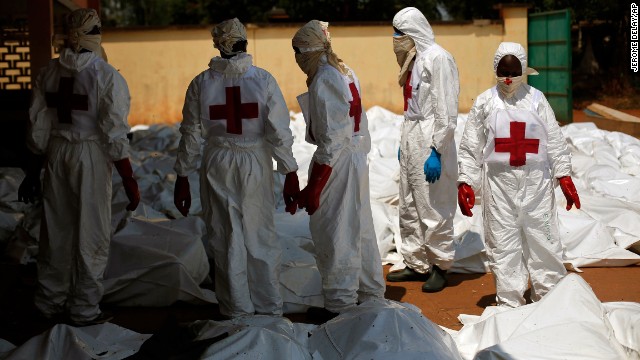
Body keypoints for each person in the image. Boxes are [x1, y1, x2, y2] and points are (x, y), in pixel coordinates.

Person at [18, 8, 140, 326]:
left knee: (55, 232)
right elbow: (114, 132)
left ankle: (48, 302)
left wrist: (33, 171)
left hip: (56, 154)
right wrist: (129, 177)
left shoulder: (49, 72)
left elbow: (37, 127)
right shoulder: (107, 76)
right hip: (91, 156)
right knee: (91, 232)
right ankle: (84, 308)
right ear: (96, 34)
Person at [173, 18, 300, 319]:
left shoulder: (201, 83)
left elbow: (190, 134)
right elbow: (279, 131)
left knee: (225, 237)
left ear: (217, 44)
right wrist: (289, 172)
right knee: (260, 234)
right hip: (255, 162)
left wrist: (182, 176)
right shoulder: (264, 80)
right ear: (244, 42)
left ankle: (236, 312)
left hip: (217, 162)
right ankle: (269, 310)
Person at [457, 42, 581, 307]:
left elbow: (555, 140)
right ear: (495, 69)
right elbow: (470, 146)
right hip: (499, 186)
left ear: (524, 69)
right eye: (503, 71)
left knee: (544, 242)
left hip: (536, 184)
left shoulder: (537, 99)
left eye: (514, 71)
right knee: (503, 245)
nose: (509, 78)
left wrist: (564, 175)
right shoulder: (484, 102)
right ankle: (510, 302)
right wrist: (466, 181)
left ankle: (549, 301)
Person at [292, 20, 386, 322]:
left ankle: (339, 306)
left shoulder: (324, 78)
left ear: (306, 51)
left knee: (336, 232)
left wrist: (315, 187)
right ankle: (371, 297)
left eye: (297, 53)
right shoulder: (346, 71)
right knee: (359, 228)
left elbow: (332, 139)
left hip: (338, 163)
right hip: (355, 159)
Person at [386, 7, 460, 293]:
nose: (395, 39)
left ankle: (440, 265)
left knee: (433, 203)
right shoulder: (414, 59)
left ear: (413, 32)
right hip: (413, 134)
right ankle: (416, 263)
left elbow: (446, 109)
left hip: (431, 136)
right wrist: (405, 142)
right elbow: (412, 107)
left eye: (399, 33)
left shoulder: (439, 58)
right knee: (408, 202)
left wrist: (437, 150)